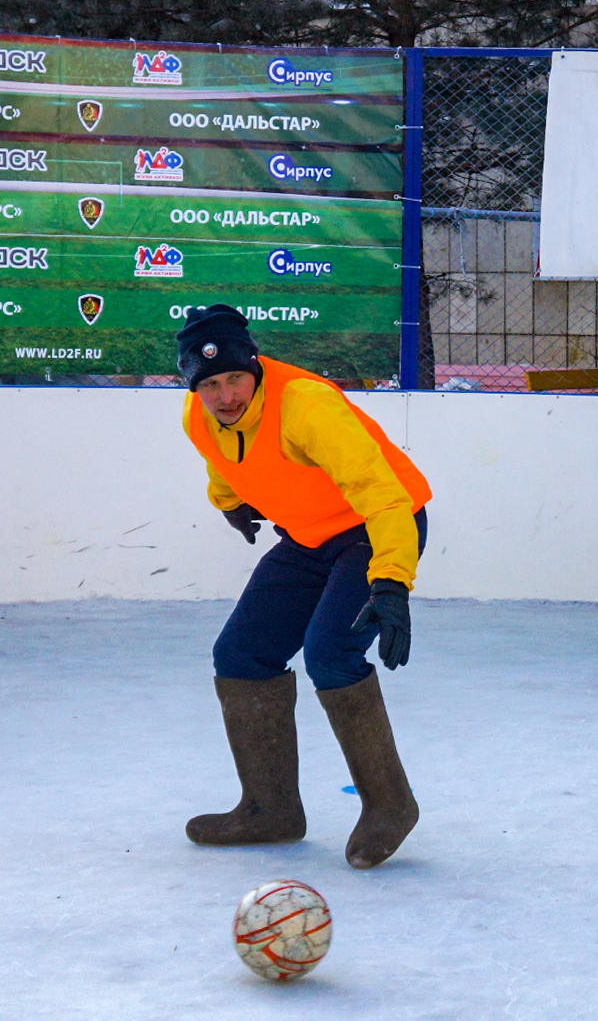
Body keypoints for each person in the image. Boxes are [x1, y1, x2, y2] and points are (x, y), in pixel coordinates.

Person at [176, 304, 431, 869]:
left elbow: (383, 495)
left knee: (331, 653)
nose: (225, 396)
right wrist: (232, 503)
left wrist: (390, 581)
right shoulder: (199, 415)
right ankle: (270, 810)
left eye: (236, 378)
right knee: (241, 653)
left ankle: (391, 805)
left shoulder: (306, 406)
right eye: (210, 384)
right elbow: (224, 461)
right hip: (311, 536)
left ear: (256, 366)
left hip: (376, 526)